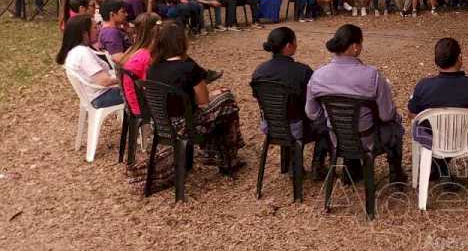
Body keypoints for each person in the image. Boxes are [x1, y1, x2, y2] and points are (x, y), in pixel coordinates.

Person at [305, 24, 406, 184]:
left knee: (333, 125)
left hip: (336, 138)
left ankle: (352, 171)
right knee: (395, 126)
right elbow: (386, 115)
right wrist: (397, 117)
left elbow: (312, 113)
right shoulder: (372, 76)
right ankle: (396, 175)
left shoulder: (318, 76)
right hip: (367, 139)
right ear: (354, 47)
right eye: (361, 43)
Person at [146, 21, 245, 173]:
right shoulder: (188, 68)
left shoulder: (152, 68)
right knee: (227, 101)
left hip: (160, 125)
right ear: (181, 42)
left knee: (220, 108)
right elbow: (204, 101)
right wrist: (218, 94)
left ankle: (219, 157)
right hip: (186, 127)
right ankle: (226, 159)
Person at [408, 38, 468, 180]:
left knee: (424, 128)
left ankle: (437, 164)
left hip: (432, 139)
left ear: (436, 60)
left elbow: (413, 114)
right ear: (460, 58)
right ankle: (440, 166)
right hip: (465, 138)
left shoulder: (424, 86)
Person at [252, 27, 328, 161]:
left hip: (271, 125)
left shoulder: (259, 71)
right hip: (296, 127)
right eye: (295, 41)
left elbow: (258, 97)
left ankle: (290, 164)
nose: (296, 45)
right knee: (327, 121)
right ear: (288, 45)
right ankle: (318, 164)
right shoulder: (302, 71)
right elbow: (314, 101)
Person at [56, 14, 122, 108]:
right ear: (84, 33)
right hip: (101, 96)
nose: (98, 30)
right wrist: (127, 79)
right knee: (141, 92)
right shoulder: (82, 53)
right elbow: (105, 81)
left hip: (93, 95)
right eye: (95, 28)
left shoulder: (74, 51)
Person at [116, 12, 162, 116]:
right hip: (145, 108)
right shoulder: (147, 57)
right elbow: (153, 86)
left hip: (134, 105)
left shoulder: (132, 51)